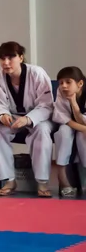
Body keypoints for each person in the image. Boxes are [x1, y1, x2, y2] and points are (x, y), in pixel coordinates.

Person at [0, 41, 54, 197]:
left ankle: (42, 183)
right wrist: (2, 115)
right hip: (14, 117)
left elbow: (46, 105)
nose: (6, 62)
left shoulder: (37, 73)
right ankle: (9, 180)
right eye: (2, 58)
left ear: (21, 58)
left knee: (42, 131)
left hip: (39, 117)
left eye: (11, 58)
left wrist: (29, 119)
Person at [52, 66, 86, 197]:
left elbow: (83, 121)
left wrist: (74, 104)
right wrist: (83, 129)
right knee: (64, 132)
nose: (64, 86)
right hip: (71, 125)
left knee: (81, 137)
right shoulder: (61, 92)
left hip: (81, 125)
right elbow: (62, 117)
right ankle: (62, 177)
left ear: (80, 83)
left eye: (68, 82)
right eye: (61, 83)